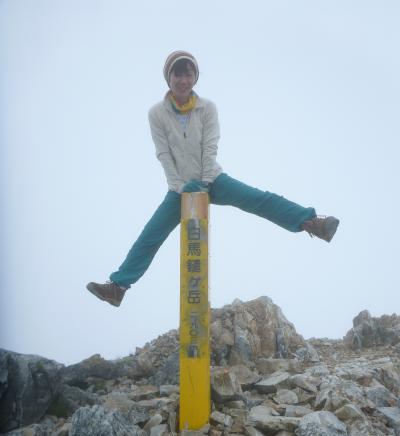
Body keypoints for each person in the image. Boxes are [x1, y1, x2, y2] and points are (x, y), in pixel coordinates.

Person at [87, 50, 339, 307]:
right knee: (150, 235)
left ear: (195, 77)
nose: (183, 80)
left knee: (258, 199)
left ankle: (311, 222)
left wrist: (205, 183)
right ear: (168, 78)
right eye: (178, 74)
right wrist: (180, 187)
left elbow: (210, 147)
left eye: (189, 74)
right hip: (179, 189)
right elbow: (163, 153)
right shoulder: (156, 114)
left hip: (214, 179)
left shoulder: (207, 108)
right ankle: (118, 287)